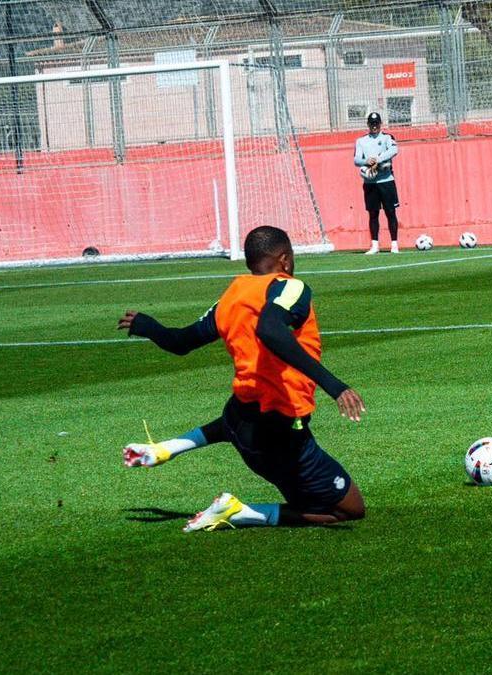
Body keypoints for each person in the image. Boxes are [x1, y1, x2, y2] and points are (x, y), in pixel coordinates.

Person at [117, 225, 368, 532]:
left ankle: (166, 448)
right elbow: (270, 329)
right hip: (281, 438)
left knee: (236, 420)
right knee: (351, 508)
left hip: (240, 423)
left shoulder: (232, 295)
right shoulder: (291, 287)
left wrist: (148, 325)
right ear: (285, 259)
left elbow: (180, 342)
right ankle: (238, 511)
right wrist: (335, 387)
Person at [355, 112, 401, 253]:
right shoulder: (361, 141)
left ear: (380, 124)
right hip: (370, 183)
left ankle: (394, 244)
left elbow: (394, 150)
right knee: (373, 213)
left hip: (386, 181)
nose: (374, 126)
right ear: (368, 125)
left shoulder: (387, 138)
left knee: (390, 212)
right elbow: (356, 159)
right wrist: (366, 161)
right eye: (372, 124)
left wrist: (377, 159)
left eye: (376, 123)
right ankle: (375, 245)